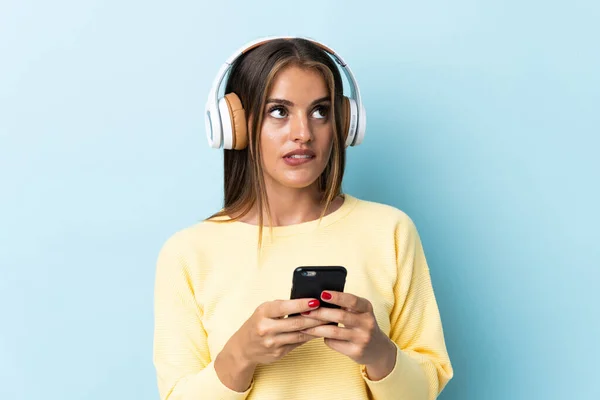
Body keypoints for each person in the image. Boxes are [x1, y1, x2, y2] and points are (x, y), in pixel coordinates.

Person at [153, 37, 453, 400]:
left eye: (320, 111)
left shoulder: (390, 231)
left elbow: (425, 390)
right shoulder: (188, 253)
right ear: (237, 125)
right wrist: (240, 355)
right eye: (278, 111)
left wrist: (378, 352)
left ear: (343, 123)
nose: (303, 133)